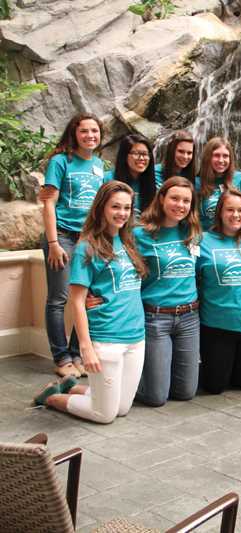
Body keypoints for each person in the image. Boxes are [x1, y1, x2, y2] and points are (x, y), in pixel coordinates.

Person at [33, 181, 148, 424]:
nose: (122, 213)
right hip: (106, 338)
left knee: (122, 408)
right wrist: (85, 347)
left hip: (136, 337)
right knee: (105, 415)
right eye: (115, 206)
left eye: (127, 208)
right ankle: (51, 398)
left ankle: (72, 388)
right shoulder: (87, 247)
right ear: (101, 207)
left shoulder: (129, 242)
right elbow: (76, 301)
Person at [41, 113, 108, 379]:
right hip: (63, 236)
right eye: (85, 131)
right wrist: (53, 243)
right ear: (74, 133)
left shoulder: (100, 165)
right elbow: (48, 203)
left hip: (89, 239)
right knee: (59, 298)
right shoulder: (60, 162)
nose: (90, 136)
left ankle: (77, 353)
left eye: (95, 131)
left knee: (86, 297)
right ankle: (61, 357)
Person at [134, 177, 203, 406]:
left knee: (185, 392)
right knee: (156, 398)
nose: (180, 205)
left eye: (186, 201)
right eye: (174, 198)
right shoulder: (140, 234)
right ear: (161, 198)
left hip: (189, 318)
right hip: (156, 318)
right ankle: (123, 386)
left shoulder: (192, 233)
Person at [196, 190, 241, 394]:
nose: (236, 215)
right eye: (230, 210)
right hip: (217, 324)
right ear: (219, 212)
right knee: (215, 387)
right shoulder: (203, 240)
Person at [196, 137, 241, 231]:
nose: (221, 160)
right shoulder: (196, 183)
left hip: (233, 237)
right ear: (208, 157)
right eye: (216, 155)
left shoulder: (240, 179)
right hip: (206, 238)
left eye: (225, 156)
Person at [105, 133, 157, 219]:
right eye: (136, 153)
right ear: (124, 156)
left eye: (145, 154)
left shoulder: (151, 183)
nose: (141, 158)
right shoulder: (108, 179)